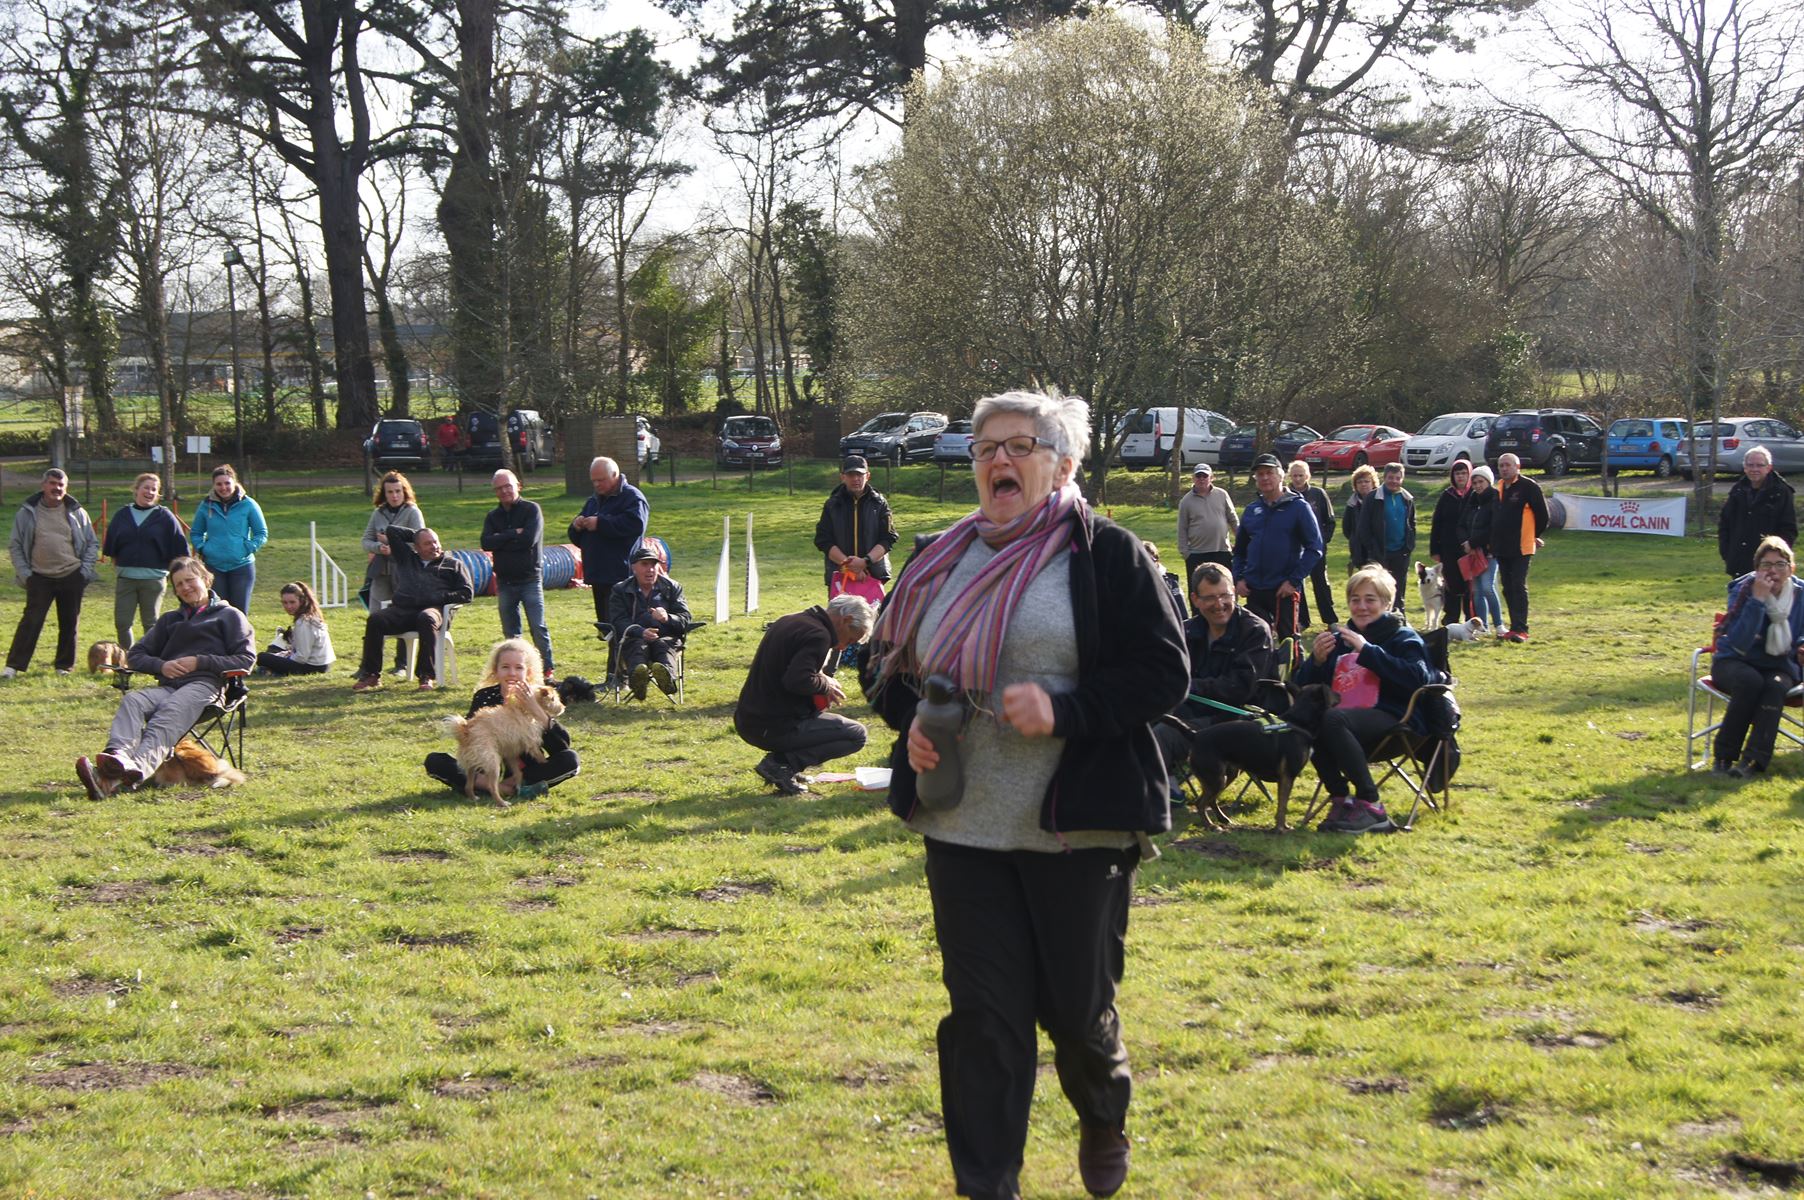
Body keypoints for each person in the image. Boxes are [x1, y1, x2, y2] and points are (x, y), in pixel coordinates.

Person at [866, 389, 1187, 1200]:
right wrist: (911, 724)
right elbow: (886, 666)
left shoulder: (1106, 554)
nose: (999, 461)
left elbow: (1163, 671)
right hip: (964, 823)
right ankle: (989, 1185)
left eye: (1021, 445)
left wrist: (1065, 712)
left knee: (1076, 1012)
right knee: (983, 1021)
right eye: (985, 449)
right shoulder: (940, 555)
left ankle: (1101, 1111)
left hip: (1074, 830)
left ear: (1064, 463)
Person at [74, 556, 254, 800]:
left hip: (205, 687)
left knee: (168, 713)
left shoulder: (229, 616)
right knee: (133, 701)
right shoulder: (170, 620)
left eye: (190, 580)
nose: (185, 588)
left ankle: (126, 774)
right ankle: (117, 760)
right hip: (170, 686)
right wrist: (162, 665)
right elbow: (135, 655)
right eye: (179, 584)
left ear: (205, 578)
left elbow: (245, 660)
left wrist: (200, 661)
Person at [1293, 565, 1436, 833]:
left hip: (1395, 718)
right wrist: (1316, 662)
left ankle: (1371, 805)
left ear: (1386, 602)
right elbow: (1303, 689)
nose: (1361, 607)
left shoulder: (1402, 636)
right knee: (1311, 720)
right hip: (1346, 722)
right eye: (1355, 600)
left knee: (1332, 719)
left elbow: (1419, 677)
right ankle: (1342, 800)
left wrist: (1368, 651)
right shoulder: (1339, 640)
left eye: (1370, 600)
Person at [735, 594, 874, 795]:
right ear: (846, 620)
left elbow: (790, 669)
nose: (843, 647)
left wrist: (820, 679)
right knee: (856, 734)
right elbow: (797, 680)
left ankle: (786, 765)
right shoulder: (819, 635)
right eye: (851, 639)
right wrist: (825, 684)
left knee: (839, 726)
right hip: (772, 725)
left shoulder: (791, 620)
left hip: (750, 717)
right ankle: (781, 764)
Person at [1154, 563, 1275, 790]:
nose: (1219, 605)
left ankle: (1158, 790)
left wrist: (1190, 687)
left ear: (1235, 595)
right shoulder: (1186, 631)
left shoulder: (1255, 632)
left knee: (1165, 733)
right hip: (1190, 711)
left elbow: (1240, 688)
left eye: (1225, 595)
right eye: (1209, 598)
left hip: (1236, 719)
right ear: (1195, 599)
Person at [424, 638, 580, 799]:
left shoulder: (539, 696)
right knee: (435, 761)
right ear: (496, 671)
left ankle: (518, 783)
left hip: (528, 769)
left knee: (570, 759)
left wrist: (536, 710)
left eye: (519, 667)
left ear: (529, 672)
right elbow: (470, 737)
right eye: (505, 667)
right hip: (487, 765)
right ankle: (496, 787)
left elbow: (561, 747)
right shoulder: (484, 697)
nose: (512, 673)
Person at [351, 527, 474, 691]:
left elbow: (467, 593)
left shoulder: (453, 564)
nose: (434, 546)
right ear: (416, 547)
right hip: (404, 611)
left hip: (434, 610)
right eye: (427, 543)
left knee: (426, 618)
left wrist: (439, 597)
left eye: (436, 541)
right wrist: (418, 534)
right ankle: (372, 674)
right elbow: (392, 531)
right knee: (376, 619)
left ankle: (426, 676)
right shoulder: (407, 558)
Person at [5, 467, 99, 679]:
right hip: (39, 577)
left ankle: (63, 666)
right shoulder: (27, 512)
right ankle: (13, 667)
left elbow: (92, 543)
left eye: (61, 485)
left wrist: (84, 571)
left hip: (72, 574)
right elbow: (15, 545)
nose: (56, 488)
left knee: (69, 622)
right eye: (52, 484)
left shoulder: (77, 512)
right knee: (31, 622)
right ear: (43, 486)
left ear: (66, 488)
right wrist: (25, 574)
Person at [1231, 452, 1323, 642]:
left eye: (1269, 473)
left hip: (1283, 590)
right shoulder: (1251, 511)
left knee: (1288, 642)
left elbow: (1315, 548)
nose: (1265, 478)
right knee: (1255, 640)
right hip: (1254, 590)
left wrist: (1293, 581)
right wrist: (1238, 578)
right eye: (1260, 474)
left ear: (1281, 475)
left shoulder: (1299, 508)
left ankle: (1294, 672)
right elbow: (1239, 551)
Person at [482, 469, 556, 682]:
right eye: (499, 488)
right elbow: (486, 543)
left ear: (518, 486)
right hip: (504, 581)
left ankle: (547, 669)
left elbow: (529, 540)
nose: (504, 491)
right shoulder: (492, 516)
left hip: (529, 578)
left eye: (508, 486)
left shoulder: (532, 509)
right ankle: (515, 672)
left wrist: (501, 539)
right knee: (510, 630)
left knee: (537, 626)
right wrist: (513, 533)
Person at [103, 472, 188, 647]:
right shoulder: (122, 515)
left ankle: (150, 659)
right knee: (122, 622)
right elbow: (111, 546)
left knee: (151, 624)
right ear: (136, 489)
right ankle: (128, 659)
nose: (149, 492)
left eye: (154, 489)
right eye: (146, 488)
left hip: (154, 579)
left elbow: (180, 550)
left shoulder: (165, 517)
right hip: (126, 579)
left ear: (158, 494)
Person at [569, 456, 649, 627]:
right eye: (594, 481)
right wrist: (576, 526)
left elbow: (636, 524)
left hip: (620, 575)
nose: (597, 485)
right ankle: (613, 652)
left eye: (601, 480)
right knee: (607, 627)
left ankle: (622, 654)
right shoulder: (593, 501)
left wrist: (600, 523)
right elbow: (579, 540)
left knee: (622, 625)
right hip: (598, 575)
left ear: (615, 475)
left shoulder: (632, 498)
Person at [608, 544, 693, 699]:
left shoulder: (672, 587)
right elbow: (618, 620)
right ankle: (638, 680)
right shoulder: (620, 590)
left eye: (653, 564)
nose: (650, 569)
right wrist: (640, 631)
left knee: (663, 646)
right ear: (634, 567)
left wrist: (668, 617)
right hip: (634, 637)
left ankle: (667, 680)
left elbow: (685, 618)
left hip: (667, 636)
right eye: (645, 564)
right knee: (637, 647)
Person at [361, 471, 425, 675]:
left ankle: (402, 664)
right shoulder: (378, 513)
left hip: (404, 572)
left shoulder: (412, 512)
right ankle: (368, 667)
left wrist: (394, 546)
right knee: (375, 616)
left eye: (398, 491)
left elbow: (420, 542)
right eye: (390, 492)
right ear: (384, 493)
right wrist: (379, 548)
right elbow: (366, 540)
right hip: (380, 571)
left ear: (404, 492)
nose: (394, 496)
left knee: (402, 614)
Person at [187, 464, 267, 614]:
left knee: (239, 613)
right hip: (214, 567)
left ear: (234, 483)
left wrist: (246, 548)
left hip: (242, 567)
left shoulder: (248, 504)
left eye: (227, 483)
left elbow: (261, 533)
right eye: (219, 484)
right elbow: (196, 532)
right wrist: (204, 548)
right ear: (213, 485)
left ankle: (240, 638)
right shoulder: (206, 506)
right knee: (217, 612)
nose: (223, 487)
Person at [814, 455, 899, 591]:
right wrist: (848, 565)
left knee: (872, 613)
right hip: (840, 575)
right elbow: (823, 540)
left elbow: (888, 538)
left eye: (859, 474)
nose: (855, 479)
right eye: (851, 475)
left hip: (873, 576)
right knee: (840, 613)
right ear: (843, 477)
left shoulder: (879, 503)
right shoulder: (832, 504)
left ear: (868, 476)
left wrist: (864, 562)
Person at [1493, 453, 1549, 642]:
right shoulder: (1499, 487)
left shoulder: (1528, 487)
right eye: (1501, 465)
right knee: (1507, 587)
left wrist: (1534, 535)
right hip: (1502, 546)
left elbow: (1543, 515)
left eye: (1508, 465)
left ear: (1518, 466)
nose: (1504, 468)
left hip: (1522, 546)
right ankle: (1513, 626)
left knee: (1518, 585)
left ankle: (1522, 629)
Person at [1718, 446, 1797, 578]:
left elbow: (1788, 529)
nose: (1754, 469)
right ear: (1745, 467)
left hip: (1769, 567)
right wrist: (1727, 552)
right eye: (1750, 465)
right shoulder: (1737, 490)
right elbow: (1725, 523)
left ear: (1769, 467)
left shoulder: (1781, 492)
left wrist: (1777, 560)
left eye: (1759, 465)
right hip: (1738, 564)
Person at [1177, 462, 1237, 613]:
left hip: (1222, 550)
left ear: (1212, 477)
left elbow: (1233, 519)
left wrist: (1241, 542)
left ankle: (1228, 613)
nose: (1202, 479)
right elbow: (1182, 528)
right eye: (1198, 476)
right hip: (1197, 554)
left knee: (1225, 586)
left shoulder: (1222, 494)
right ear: (1193, 478)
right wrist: (1186, 553)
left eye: (1205, 476)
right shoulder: (1186, 501)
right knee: (1198, 590)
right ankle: (1198, 619)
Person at [1287, 460, 1338, 626]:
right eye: (1294, 475)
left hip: (1315, 548)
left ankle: (1330, 620)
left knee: (1320, 583)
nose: (1298, 479)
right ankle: (1302, 620)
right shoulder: (1286, 495)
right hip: (1294, 549)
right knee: (1297, 584)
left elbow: (1330, 521)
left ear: (1307, 476)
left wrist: (1322, 541)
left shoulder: (1318, 494)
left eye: (1301, 475)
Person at [256, 581, 336, 676]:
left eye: (292, 602)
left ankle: (271, 671)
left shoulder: (303, 622)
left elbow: (302, 657)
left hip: (313, 667)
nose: (288, 606)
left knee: (262, 657)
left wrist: (286, 657)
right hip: (324, 663)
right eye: (285, 603)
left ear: (301, 601)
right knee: (274, 649)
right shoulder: (312, 615)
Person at [1428, 461, 1473, 625]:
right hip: (1448, 548)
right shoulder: (1447, 496)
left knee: (1469, 586)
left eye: (1463, 473)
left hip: (1469, 548)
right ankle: (1451, 619)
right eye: (1457, 473)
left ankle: (1471, 619)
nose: (1460, 476)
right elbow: (1437, 523)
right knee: (1451, 584)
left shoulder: (1474, 494)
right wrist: (1435, 549)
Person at [1460, 465, 1503, 632]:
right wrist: (1465, 542)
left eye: (1481, 482)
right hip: (1472, 552)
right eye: (1475, 482)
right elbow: (1462, 524)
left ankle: (1499, 624)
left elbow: (1494, 527)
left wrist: (1473, 542)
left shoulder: (1494, 499)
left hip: (1489, 551)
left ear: (1488, 481)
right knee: (1476, 590)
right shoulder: (1472, 500)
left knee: (1487, 587)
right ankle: (1483, 626)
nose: (1478, 485)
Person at [1373, 463, 1417, 613]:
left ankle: (1399, 617)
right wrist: (1374, 550)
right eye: (1390, 477)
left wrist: (1409, 545)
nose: (1394, 481)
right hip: (1381, 552)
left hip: (1401, 551)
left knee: (1399, 589)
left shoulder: (1407, 498)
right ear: (1384, 477)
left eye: (1397, 478)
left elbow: (1412, 522)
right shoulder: (1374, 498)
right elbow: (1365, 528)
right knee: (1381, 588)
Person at [1342, 464, 1385, 572]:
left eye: (1366, 481)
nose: (1363, 484)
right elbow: (1347, 528)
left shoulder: (1381, 501)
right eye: (1360, 482)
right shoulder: (1352, 504)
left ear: (1373, 483)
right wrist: (1355, 539)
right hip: (1359, 549)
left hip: (1380, 548)